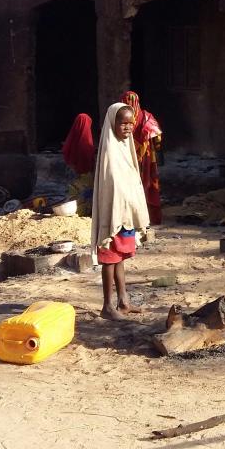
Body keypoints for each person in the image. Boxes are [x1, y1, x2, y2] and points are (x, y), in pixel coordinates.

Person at [92, 102, 151, 321]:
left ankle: (123, 301)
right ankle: (107, 306)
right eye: (122, 123)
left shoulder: (125, 147)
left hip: (126, 215)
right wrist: (120, 210)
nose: (127, 127)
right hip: (114, 215)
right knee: (109, 258)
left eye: (130, 123)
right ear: (112, 123)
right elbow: (113, 186)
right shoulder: (110, 150)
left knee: (120, 257)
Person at [119, 91, 163, 225]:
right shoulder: (146, 117)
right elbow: (158, 138)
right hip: (145, 159)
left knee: (126, 186)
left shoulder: (119, 118)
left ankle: (128, 218)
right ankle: (148, 217)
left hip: (125, 158)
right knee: (146, 184)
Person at [62, 113, 95, 216]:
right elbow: (88, 159)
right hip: (86, 176)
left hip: (73, 176)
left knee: (73, 196)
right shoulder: (87, 140)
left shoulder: (71, 140)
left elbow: (66, 153)